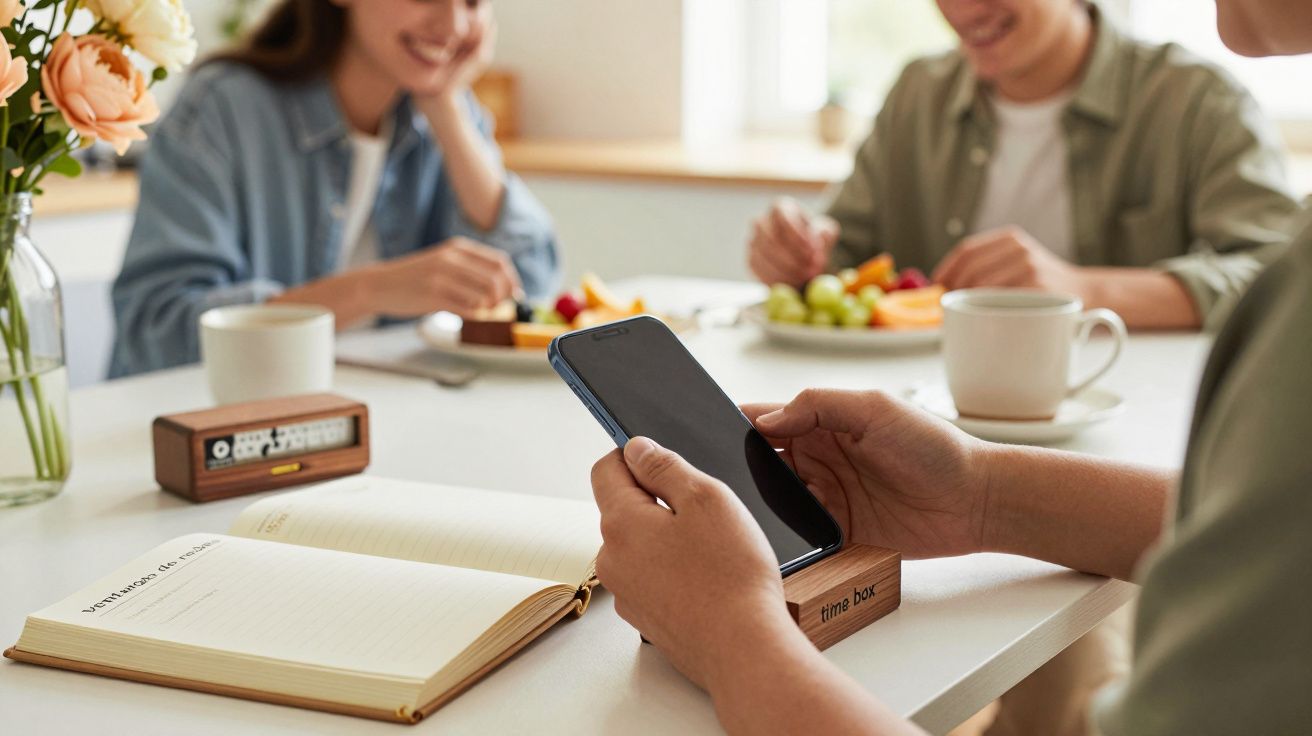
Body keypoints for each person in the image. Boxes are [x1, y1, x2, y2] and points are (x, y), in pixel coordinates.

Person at [594, 0, 1312, 730]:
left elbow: (1255, 262)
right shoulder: (920, 95)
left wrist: (730, 637)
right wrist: (979, 492)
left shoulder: (1199, 109)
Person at [747, 0, 1301, 331]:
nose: (965, 9)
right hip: (928, 431)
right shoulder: (919, 91)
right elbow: (847, 261)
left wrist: (1080, 288)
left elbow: (1273, 275)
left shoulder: (1198, 100)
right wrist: (800, 256)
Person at [109, 0, 557, 377]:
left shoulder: (440, 113)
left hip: (382, 419)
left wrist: (446, 106)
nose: (454, 25)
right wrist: (369, 291)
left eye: (474, 2)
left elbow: (530, 288)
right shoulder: (221, 111)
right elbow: (158, 333)